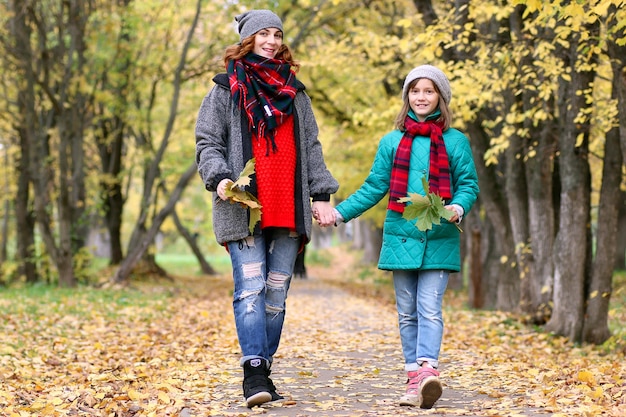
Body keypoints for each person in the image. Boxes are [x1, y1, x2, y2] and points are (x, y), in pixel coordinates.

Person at [194, 9, 338, 408]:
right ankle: (253, 371)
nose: (272, 41)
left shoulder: (297, 93)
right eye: (263, 34)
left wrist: (321, 193)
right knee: (251, 290)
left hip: (287, 208)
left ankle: (263, 370)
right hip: (242, 207)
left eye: (277, 34)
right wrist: (219, 176)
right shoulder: (225, 90)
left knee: (276, 294)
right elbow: (207, 141)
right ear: (248, 40)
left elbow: (311, 146)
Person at [333, 65, 479, 409]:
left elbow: (469, 185)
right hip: (401, 237)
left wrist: (458, 206)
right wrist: (340, 213)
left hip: (439, 235)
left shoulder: (456, 141)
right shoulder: (391, 142)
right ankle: (414, 381)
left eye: (429, 91)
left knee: (429, 308)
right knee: (407, 313)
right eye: (416, 91)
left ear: (440, 97)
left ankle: (429, 370)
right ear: (407, 97)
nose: (422, 97)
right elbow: (373, 188)